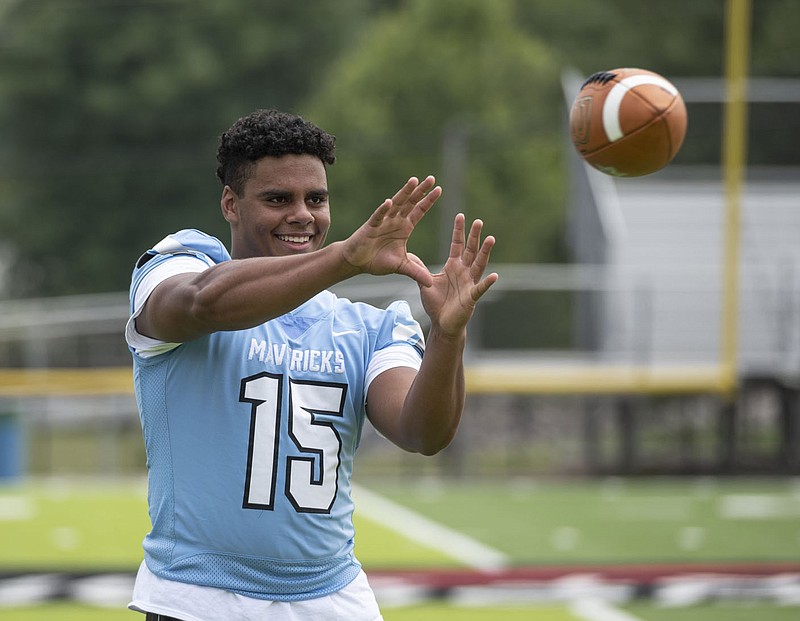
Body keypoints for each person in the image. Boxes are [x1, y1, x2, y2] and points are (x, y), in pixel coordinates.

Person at [125, 109, 498, 621]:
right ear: (231, 204)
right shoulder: (185, 262)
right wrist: (345, 258)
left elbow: (422, 433)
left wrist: (448, 336)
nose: (302, 215)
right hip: (200, 597)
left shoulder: (369, 327)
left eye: (316, 199)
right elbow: (198, 304)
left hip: (332, 598)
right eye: (278, 199)